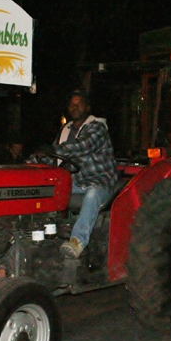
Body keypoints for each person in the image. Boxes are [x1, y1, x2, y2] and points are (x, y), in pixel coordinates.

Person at [47, 91, 118, 259]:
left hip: (100, 180)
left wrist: (53, 150)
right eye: (72, 104)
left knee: (92, 193)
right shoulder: (65, 130)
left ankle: (77, 241)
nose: (75, 107)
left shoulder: (97, 127)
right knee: (45, 189)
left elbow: (84, 145)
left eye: (79, 103)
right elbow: (53, 155)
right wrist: (33, 161)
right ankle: (47, 234)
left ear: (87, 107)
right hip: (76, 181)